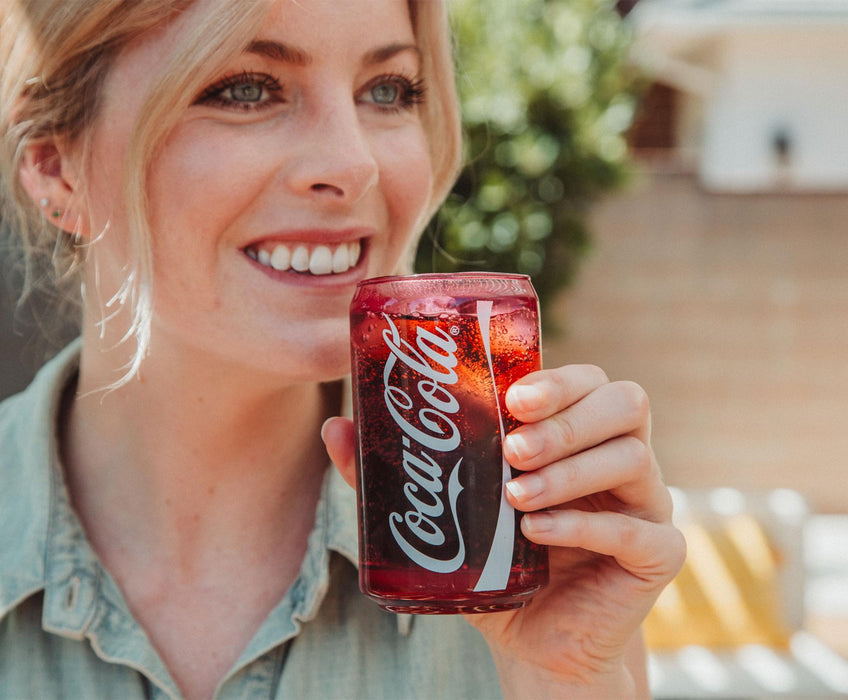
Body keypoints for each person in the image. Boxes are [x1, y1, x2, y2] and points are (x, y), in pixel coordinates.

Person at [0, 0, 686, 698]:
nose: (353, 163)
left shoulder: (513, 565)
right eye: (245, 88)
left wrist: (567, 682)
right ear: (56, 164)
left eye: (388, 91)